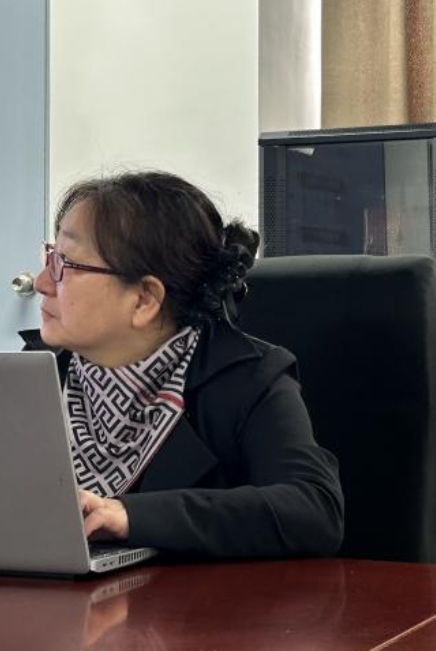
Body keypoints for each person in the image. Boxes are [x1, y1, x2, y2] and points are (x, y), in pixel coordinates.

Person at [20, 170, 344, 559]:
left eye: (67, 264)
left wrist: (129, 515)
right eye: (51, 256)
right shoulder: (34, 376)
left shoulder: (247, 379)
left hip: (196, 598)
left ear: (144, 299)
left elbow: (313, 509)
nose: (42, 282)